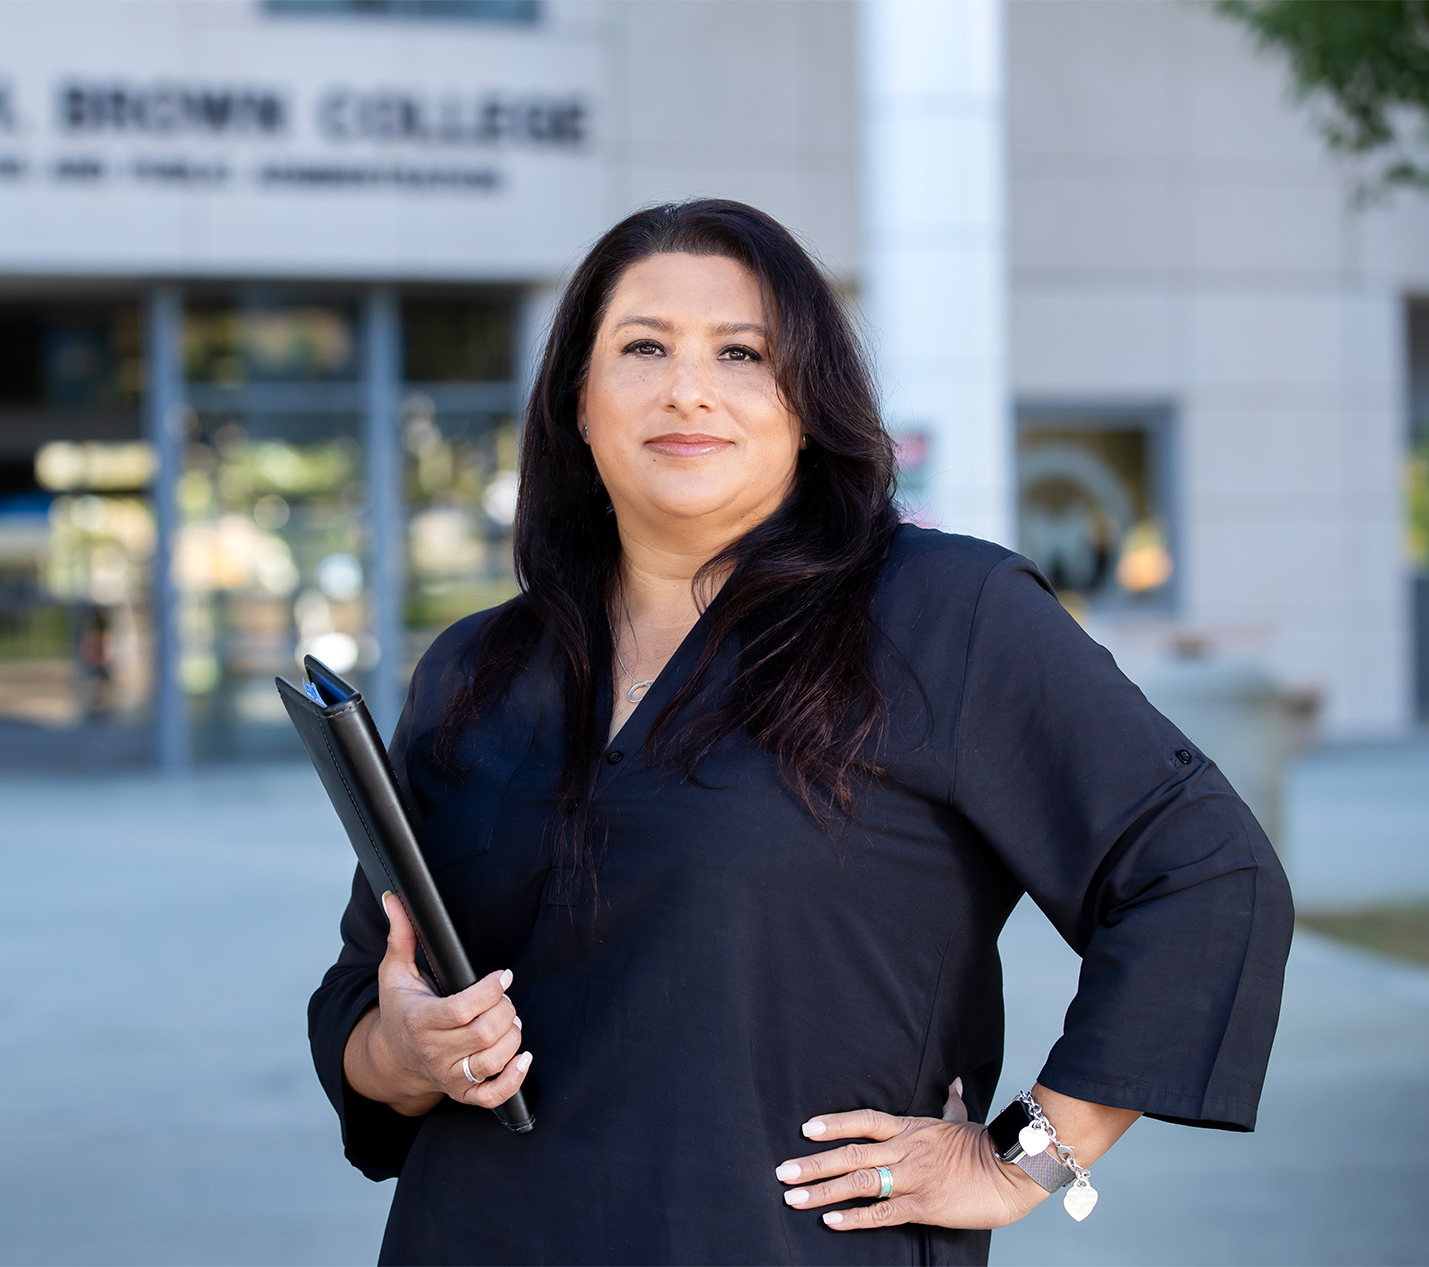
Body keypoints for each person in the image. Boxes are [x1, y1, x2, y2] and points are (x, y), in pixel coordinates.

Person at [307, 199, 1293, 1265]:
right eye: (642, 347)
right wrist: (400, 1052)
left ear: (807, 401)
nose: (688, 387)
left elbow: (1202, 876)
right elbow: (366, 992)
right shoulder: (475, 668)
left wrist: (1030, 1154)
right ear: (578, 404)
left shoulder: (940, 615)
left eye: (742, 352)